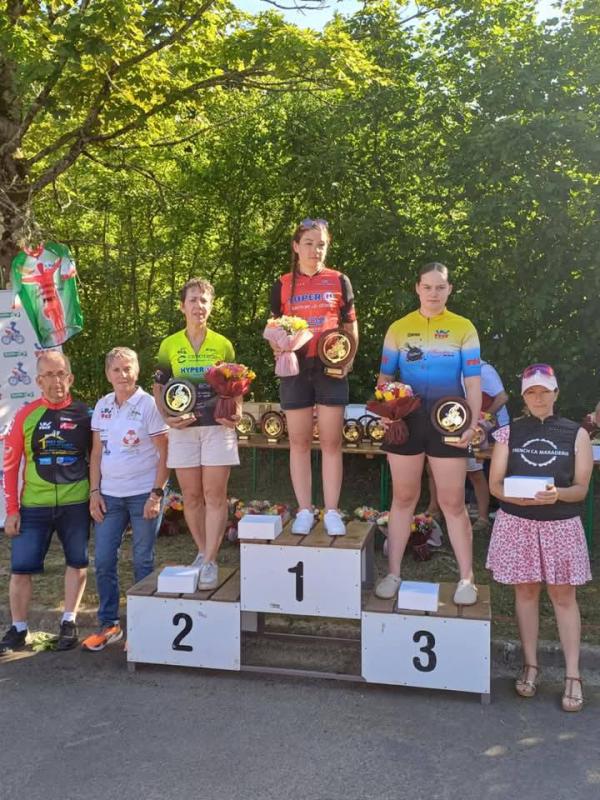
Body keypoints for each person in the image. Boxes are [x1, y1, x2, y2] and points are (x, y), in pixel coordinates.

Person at [486, 364, 593, 712]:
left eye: (544, 391)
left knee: (563, 597)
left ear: (556, 393)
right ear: (523, 396)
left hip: (561, 525)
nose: (538, 397)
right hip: (518, 523)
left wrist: (557, 495)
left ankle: (573, 675)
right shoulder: (508, 433)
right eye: (531, 392)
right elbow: (495, 484)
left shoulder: (576, 434)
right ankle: (530, 665)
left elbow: (581, 489)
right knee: (526, 592)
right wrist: (513, 498)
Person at [375, 262, 481, 604]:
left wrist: (471, 424)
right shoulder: (398, 328)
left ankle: (466, 579)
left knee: (452, 502)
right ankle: (393, 572)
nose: (434, 293)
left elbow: (473, 383)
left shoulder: (464, 327)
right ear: (417, 289)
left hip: (450, 420)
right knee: (403, 498)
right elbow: (385, 379)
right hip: (407, 421)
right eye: (428, 287)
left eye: (440, 287)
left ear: (449, 290)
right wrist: (385, 412)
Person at [269, 218, 359, 536]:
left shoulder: (339, 280)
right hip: (296, 369)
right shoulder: (282, 283)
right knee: (299, 442)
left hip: (330, 368)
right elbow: (273, 326)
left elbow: (350, 324)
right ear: (296, 246)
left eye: (321, 244)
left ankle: (332, 510)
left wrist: (348, 360)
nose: (314, 250)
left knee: (332, 441)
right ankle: (305, 510)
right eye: (308, 243)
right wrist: (277, 348)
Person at [0, 351, 91, 654]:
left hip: (75, 502)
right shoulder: (25, 415)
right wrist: (11, 510)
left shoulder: (85, 415)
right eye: (49, 375)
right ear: (39, 381)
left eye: (61, 373)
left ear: (70, 377)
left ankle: (69, 621)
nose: (56, 381)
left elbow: (100, 458)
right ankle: (18, 628)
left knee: (77, 562)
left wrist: (96, 495)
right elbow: (10, 465)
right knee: (20, 568)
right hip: (34, 506)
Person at [153, 278, 240, 590]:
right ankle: (203, 552)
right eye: (193, 300)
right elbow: (159, 386)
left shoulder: (223, 344)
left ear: (211, 306)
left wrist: (236, 412)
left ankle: (211, 561)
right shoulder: (169, 345)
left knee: (214, 495)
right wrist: (166, 417)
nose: (198, 306)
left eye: (204, 300)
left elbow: (236, 384)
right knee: (191, 497)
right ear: (182, 306)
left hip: (217, 427)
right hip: (183, 429)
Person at [81, 347, 169, 652]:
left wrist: (156, 494)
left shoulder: (149, 405)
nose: (123, 375)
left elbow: (165, 452)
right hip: (109, 496)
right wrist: (94, 492)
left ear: (137, 370)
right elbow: (95, 453)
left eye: (128, 368)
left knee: (142, 560)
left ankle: (143, 628)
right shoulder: (102, 405)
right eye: (116, 370)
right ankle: (109, 626)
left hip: (143, 494)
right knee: (104, 560)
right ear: (108, 374)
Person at [467, 359, 510, 534]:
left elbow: (503, 397)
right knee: (474, 468)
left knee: (496, 470)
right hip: (473, 427)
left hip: (496, 427)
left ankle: (506, 512)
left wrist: (484, 417)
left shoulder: (484, 370)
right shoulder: (458, 370)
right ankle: (478, 508)